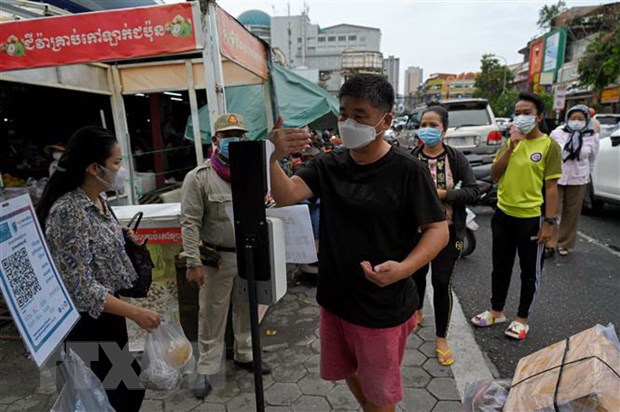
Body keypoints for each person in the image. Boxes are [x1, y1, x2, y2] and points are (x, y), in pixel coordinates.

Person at [269, 74, 448, 412]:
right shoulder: (328, 164)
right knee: (348, 371)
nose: (348, 123)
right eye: (343, 114)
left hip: (382, 305)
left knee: (381, 395)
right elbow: (286, 196)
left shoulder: (408, 170)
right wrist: (271, 157)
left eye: (360, 115)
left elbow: (438, 230)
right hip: (336, 298)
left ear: (386, 120)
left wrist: (403, 270)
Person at [37, 126, 161, 412]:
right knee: (112, 397)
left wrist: (121, 235)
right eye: (116, 162)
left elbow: (94, 244)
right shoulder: (68, 212)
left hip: (108, 318)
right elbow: (80, 287)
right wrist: (137, 313)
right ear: (94, 168)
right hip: (86, 325)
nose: (122, 169)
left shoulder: (99, 200)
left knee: (124, 392)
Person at [179, 113, 271, 400]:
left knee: (246, 308)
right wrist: (193, 262)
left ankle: (244, 354)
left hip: (248, 256)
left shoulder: (253, 174)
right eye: (227, 134)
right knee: (212, 315)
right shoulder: (199, 178)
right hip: (215, 260)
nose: (234, 139)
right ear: (216, 139)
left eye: (239, 135)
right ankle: (207, 368)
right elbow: (190, 222)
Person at [471, 92, 562, 341]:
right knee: (500, 268)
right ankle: (496, 311)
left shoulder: (549, 146)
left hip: (532, 218)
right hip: (503, 214)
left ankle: (522, 319)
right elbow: (495, 173)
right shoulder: (510, 141)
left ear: (539, 117)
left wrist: (550, 223)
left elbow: (552, 187)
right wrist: (511, 148)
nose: (520, 117)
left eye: (527, 113)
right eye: (518, 113)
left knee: (529, 272)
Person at [410, 105, 480, 366]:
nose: (427, 130)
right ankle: (417, 313)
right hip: (416, 232)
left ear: (444, 130)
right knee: (416, 276)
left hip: (448, 232)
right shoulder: (411, 157)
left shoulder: (456, 159)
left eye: (433, 125)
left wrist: (443, 195)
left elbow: (473, 191)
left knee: (441, 283)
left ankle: (441, 338)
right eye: (424, 124)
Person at [546, 105, 599, 256]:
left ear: (586, 120)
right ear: (567, 118)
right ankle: (550, 241)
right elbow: (549, 153)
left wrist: (588, 176)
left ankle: (565, 243)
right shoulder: (558, 133)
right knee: (552, 209)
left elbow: (592, 158)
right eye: (573, 118)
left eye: (580, 119)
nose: (576, 122)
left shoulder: (592, 136)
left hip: (579, 178)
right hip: (557, 176)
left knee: (572, 212)